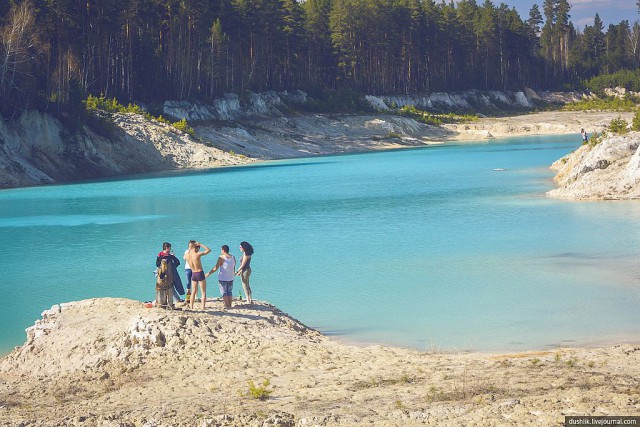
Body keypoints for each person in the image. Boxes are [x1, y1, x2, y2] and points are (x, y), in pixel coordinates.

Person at [206, 245, 236, 310]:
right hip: (231, 277)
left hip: (223, 278)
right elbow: (233, 267)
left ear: (223, 250)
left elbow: (216, 267)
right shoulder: (233, 257)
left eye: (221, 250)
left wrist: (209, 273)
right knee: (229, 292)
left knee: (224, 292)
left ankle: (227, 306)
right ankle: (230, 305)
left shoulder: (221, 257)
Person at [155, 242, 185, 307]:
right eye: (169, 248)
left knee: (169, 288)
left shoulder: (161, 254)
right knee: (171, 287)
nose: (170, 249)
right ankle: (176, 300)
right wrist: (172, 258)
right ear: (167, 248)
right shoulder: (168, 256)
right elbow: (178, 262)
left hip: (162, 275)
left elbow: (157, 264)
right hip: (167, 275)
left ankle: (177, 299)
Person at [185, 241, 211, 310]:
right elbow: (208, 250)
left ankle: (191, 307)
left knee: (193, 291)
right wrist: (201, 244)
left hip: (193, 273)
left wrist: (190, 248)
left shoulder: (187, 256)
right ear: (196, 247)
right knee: (203, 292)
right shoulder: (197, 254)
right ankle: (202, 307)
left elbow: (185, 256)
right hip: (199, 272)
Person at [235, 241, 254, 305]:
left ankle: (248, 300)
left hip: (245, 271)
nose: (239, 248)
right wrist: (240, 271)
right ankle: (250, 299)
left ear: (244, 247)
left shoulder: (246, 254)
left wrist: (237, 271)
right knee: (247, 285)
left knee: (245, 286)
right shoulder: (246, 253)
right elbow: (244, 265)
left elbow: (243, 265)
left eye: (240, 247)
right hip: (247, 270)